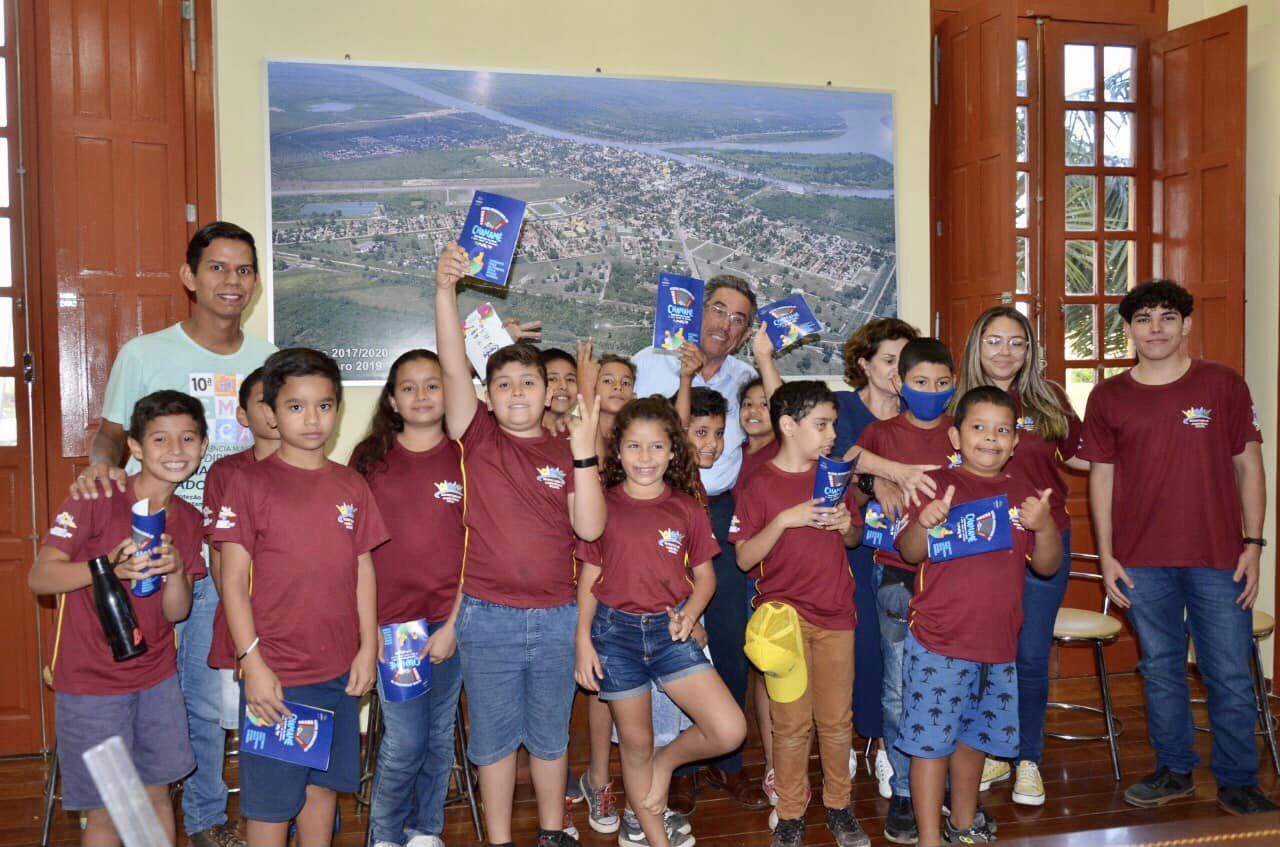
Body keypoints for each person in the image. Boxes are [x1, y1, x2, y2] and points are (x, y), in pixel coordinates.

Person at [71, 221, 275, 847]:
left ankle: (208, 816)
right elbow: (111, 435)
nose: (231, 281)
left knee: (212, 695)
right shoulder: (145, 354)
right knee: (154, 685)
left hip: (232, 552)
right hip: (156, 547)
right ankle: (126, 801)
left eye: (243, 269)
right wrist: (99, 467)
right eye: (217, 268)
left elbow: (278, 448)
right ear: (190, 277)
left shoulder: (265, 358)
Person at [1080, 279, 1277, 816]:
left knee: (1231, 671)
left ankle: (1238, 778)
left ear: (1187, 324)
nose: (1156, 329)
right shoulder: (1108, 395)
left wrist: (1254, 544)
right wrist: (1107, 555)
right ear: (1129, 330)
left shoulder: (1222, 384)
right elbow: (1102, 478)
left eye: (1167, 317)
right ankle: (1174, 770)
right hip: (1142, 560)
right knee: (1161, 668)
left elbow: (1249, 465)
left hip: (1219, 557)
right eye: (1144, 319)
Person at [434, 243, 606, 847]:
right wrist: (444, 291)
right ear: (488, 393)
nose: (514, 393)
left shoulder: (568, 445)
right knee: (494, 741)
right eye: (501, 383)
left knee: (551, 736)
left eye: (527, 382)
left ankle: (554, 832)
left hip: (559, 617)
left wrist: (584, 449)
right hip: (488, 615)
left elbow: (589, 529)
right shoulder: (476, 435)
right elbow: (454, 366)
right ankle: (500, 839)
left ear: (546, 391)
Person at [213, 348, 387, 846]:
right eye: (295, 406)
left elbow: (363, 568)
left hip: (337, 672)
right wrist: (254, 663)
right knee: (270, 804)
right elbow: (231, 580)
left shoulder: (351, 484)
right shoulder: (247, 484)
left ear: (337, 409)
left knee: (322, 789)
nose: (312, 418)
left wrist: (367, 649)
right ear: (270, 412)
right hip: (275, 676)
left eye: (324, 405)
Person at [30, 390, 209, 846]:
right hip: (92, 683)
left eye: (187, 439)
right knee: (110, 806)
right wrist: (105, 567)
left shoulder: (187, 519)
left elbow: (178, 612)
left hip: (156, 679)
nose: (175, 451)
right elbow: (40, 577)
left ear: (203, 446)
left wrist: (173, 573)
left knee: (155, 795)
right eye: (160, 440)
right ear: (134, 447)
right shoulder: (98, 495)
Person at [895, 386, 1061, 847]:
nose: (991, 438)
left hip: (998, 647)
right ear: (955, 436)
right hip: (938, 644)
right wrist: (924, 523)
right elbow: (909, 552)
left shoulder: (1025, 493)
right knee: (930, 746)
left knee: (974, 740)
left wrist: (1044, 525)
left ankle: (963, 824)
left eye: (1002, 430)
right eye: (979, 428)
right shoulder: (934, 486)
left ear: (1015, 441)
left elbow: (1046, 567)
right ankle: (929, 838)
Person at [576, 397, 746, 847]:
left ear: (673, 451)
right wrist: (582, 641)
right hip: (615, 636)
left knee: (729, 729)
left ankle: (667, 763)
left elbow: (705, 578)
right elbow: (589, 577)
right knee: (635, 744)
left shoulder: (687, 507)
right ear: (618, 452)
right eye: (634, 447)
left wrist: (691, 613)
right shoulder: (604, 505)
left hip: (672, 633)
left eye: (655, 447)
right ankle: (655, 839)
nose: (645, 458)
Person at [631, 275, 766, 810]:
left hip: (722, 511)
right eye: (718, 310)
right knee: (673, 633)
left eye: (738, 318)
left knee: (728, 635)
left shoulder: (745, 377)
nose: (725, 325)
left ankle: (727, 762)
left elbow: (777, 429)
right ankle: (680, 763)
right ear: (695, 311)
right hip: (660, 509)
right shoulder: (651, 361)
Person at [951, 306, 1085, 805]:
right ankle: (985, 749)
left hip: (1043, 542)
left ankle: (1027, 757)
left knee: (1029, 655)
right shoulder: (953, 398)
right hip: (975, 545)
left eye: (1017, 342)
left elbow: (1089, 455)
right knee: (983, 654)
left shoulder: (1048, 398)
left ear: (1030, 350)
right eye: (994, 340)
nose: (1005, 352)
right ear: (976, 346)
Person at [732, 380, 869, 847]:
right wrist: (784, 520)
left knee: (836, 722)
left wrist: (850, 526)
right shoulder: (758, 485)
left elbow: (852, 541)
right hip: (783, 625)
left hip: (836, 616)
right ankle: (790, 813)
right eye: (822, 424)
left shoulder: (834, 476)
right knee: (790, 726)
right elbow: (745, 558)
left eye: (833, 423)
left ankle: (839, 806)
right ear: (788, 426)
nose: (832, 433)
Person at [350, 349, 467, 847]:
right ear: (392, 400)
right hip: (392, 626)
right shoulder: (369, 459)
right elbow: (353, 552)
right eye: (409, 387)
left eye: (433, 384)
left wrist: (454, 626)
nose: (421, 395)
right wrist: (366, 631)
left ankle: (425, 831)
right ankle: (384, 836)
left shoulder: (467, 456)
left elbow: (478, 547)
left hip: (450, 620)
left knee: (439, 738)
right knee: (406, 741)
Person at [831, 317, 919, 800]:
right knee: (857, 647)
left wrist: (876, 476)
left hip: (900, 555)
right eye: (888, 360)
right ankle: (845, 739)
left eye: (903, 363)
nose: (896, 372)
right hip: (849, 549)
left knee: (896, 657)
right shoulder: (844, 407)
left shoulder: (918, 410)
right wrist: (877, 478)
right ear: (864, 363)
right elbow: (838, 460)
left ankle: (888, 746)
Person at [202, 368, 280, 702]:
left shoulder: (323, 473)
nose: (274, 411)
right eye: (265, 402)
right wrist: (244, 625)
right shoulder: (228, 473)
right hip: (245, 625)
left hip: (302, 628)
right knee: (253, 726)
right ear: (242, 415)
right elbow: (219, 560)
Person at [541, 348, 579, 433]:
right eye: (552, 379)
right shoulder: (520, 430)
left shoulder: (579, 432)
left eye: (570, 379)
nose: (564, 386)